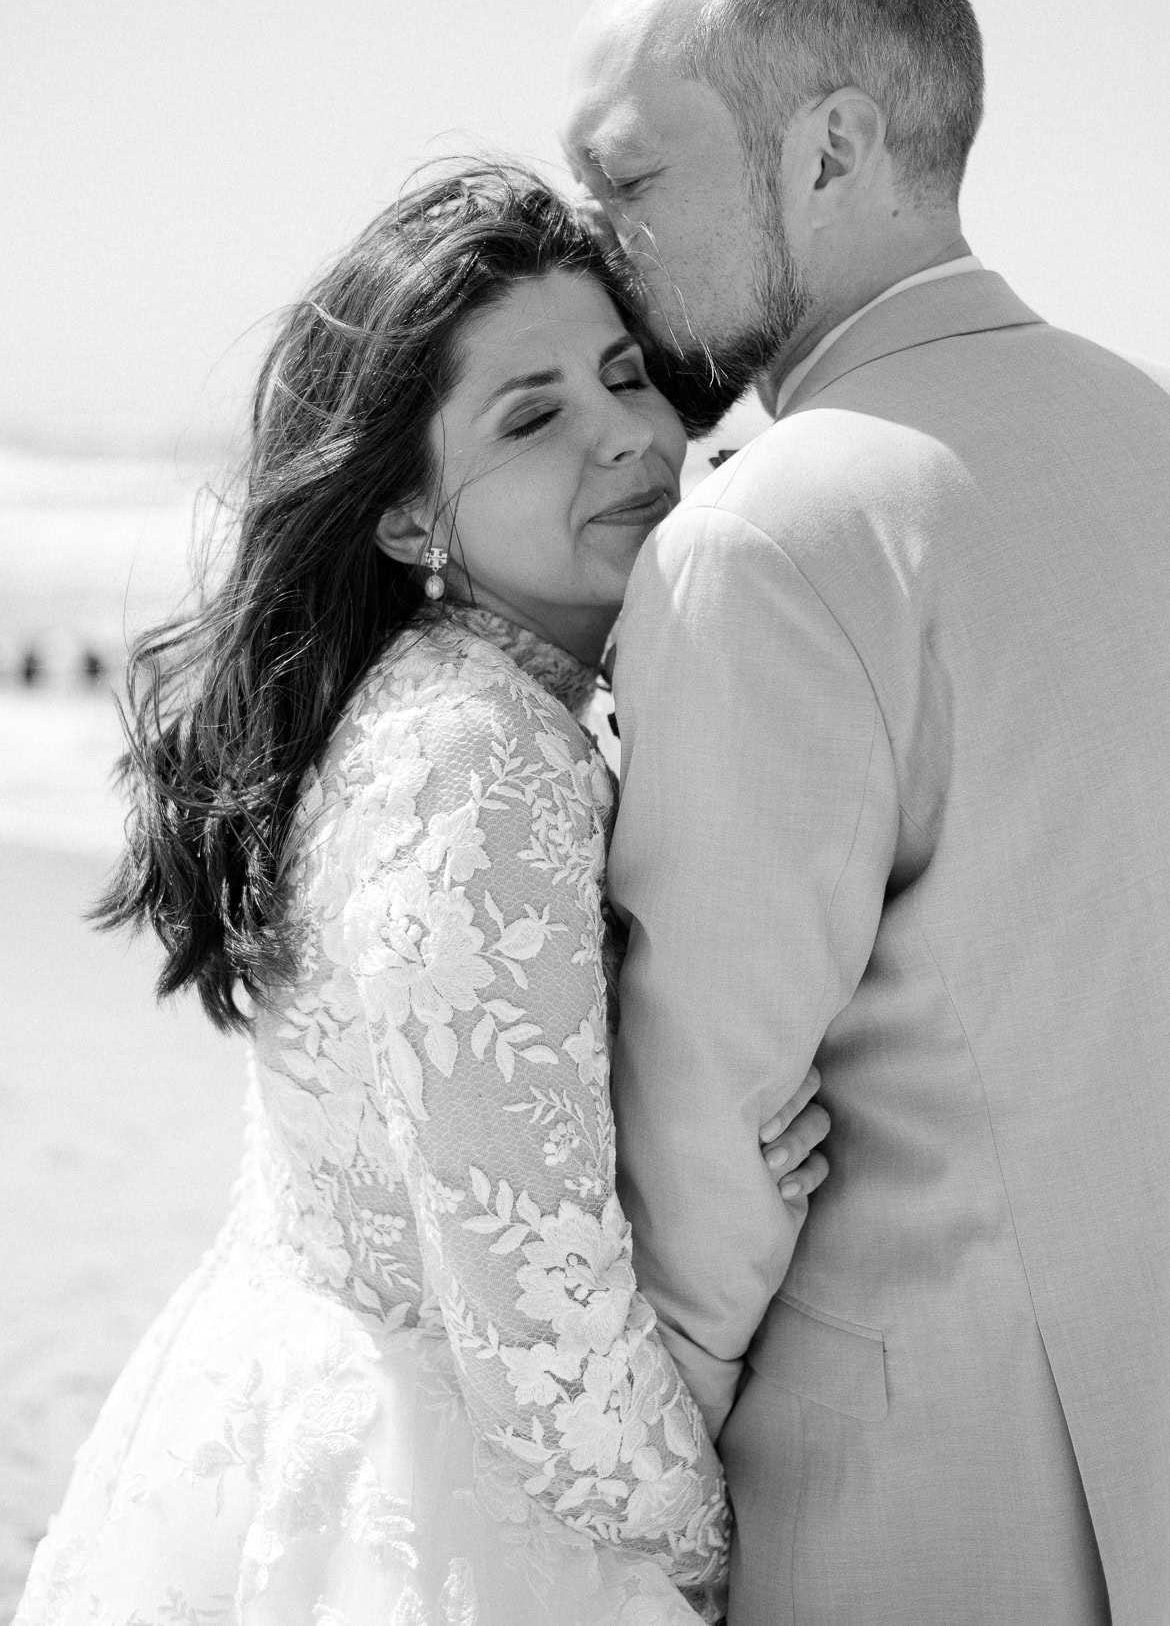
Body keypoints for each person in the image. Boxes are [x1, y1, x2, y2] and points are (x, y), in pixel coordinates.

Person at [15, 164, 831, 1626]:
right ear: (405, 518)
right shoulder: (481, 764)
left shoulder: (419, 706)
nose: (629, 436)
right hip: (445, 1515)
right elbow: (544, 1353)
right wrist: (721, 1562)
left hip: (301, 1426)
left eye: (624, 374)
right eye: (530, 417)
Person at [561, 0, 1170, 1626]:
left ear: (827, 150)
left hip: (906, 1501)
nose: (597, 242)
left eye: (627, 178)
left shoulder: (765, 537)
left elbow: (707, 1127)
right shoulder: (1143, 426)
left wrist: (631, 1490)